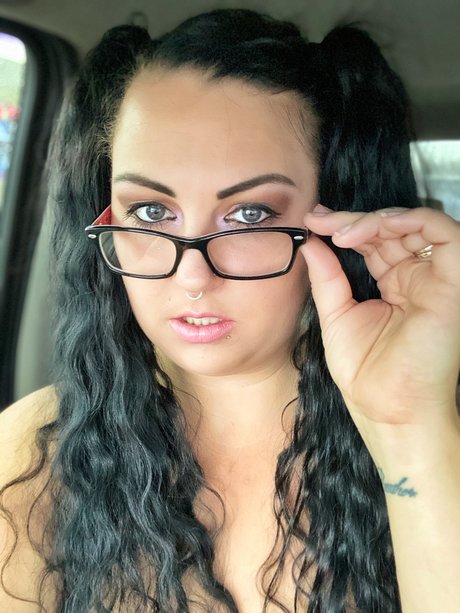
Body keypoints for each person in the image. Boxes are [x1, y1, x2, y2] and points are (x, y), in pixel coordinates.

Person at [0, 8, 459, 613]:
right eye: (151, 212)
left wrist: (407, 427)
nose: (193, 276)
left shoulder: (434, 429)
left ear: (334, 218)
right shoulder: (31, 453)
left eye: (249, 215)